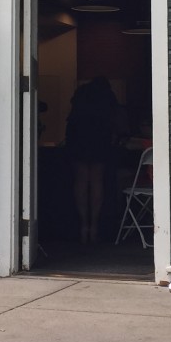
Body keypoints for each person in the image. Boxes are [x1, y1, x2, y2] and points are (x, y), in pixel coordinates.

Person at [64, 76, 120, 243]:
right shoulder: (107, 96)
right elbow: (115, 118)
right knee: (97, 182)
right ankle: (94, 226)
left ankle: (83, 226)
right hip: (100, 138)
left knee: (81, 181)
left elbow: (71, 118)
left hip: (79, 138)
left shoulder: (81, 94)